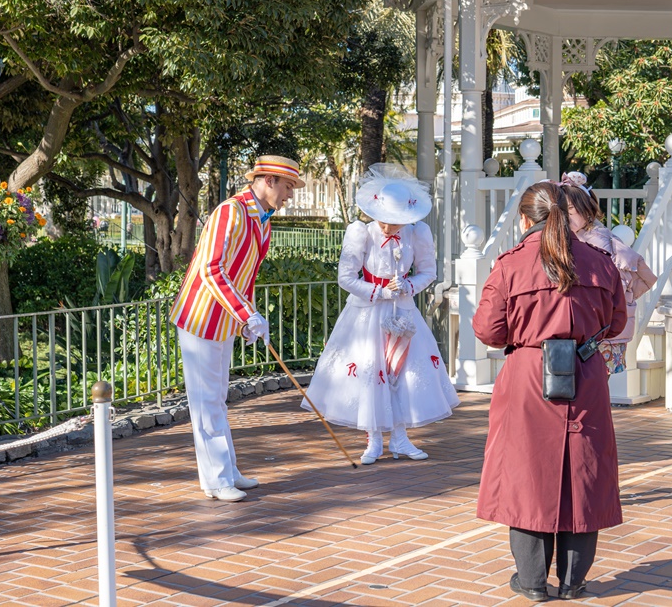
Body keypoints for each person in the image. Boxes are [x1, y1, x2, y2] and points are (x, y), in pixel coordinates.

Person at [472, 181, 627, 602]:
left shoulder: (510, 265)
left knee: (527, 475)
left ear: (525, 219)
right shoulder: (600, 263)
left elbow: (488, 331)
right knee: (583, 475)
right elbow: (615, 323)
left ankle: (533, 583)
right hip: (585, 373)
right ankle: (574, 583)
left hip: (528, 375)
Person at [302, 163, 459, 465]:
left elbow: (428, 271)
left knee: (402, 372)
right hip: (367, 313)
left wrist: (407, 286)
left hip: (403, 311)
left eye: (397, 222)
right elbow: (346, 278)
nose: (390, 227)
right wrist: (379, 292)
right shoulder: (361, 233)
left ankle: (400, 438)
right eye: (386, 221)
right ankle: (373, 440)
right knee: (372, 372)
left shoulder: (417, 233)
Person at [169, 155, 303, 502]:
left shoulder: (264, 221)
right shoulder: (231, 211)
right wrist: (246, 314)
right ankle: (215, 480)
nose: (290, 195)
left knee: (218, 399)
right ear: (268, 180)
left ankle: (226, 469)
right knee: (206, 401)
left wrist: (249, 319)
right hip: (201, 317)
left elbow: (246, 276)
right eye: (288, 186)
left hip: (225, 320)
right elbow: (211, 269)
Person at [557, 171, 657, 376]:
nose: (565, 217)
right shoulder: (588, 236)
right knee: (592, 388)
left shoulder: (596, 240)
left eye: (570, 211)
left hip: (602, 330)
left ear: (587, 210)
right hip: (602, 328)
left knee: (591, 386)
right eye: (561, 212)